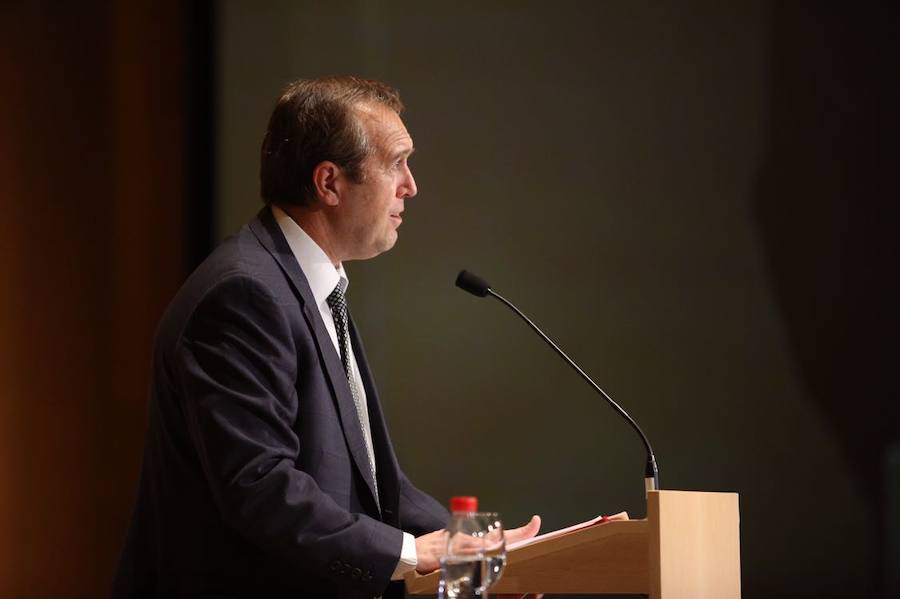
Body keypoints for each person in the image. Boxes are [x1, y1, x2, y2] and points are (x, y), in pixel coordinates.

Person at [111, 76, 539, 598]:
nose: (411, 186)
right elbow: (259, 484)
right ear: (330, 183)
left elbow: (374, 484)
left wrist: (471, 550)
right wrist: (409, 554)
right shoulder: (246, 293)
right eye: (396, 162)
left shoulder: (309, 283)